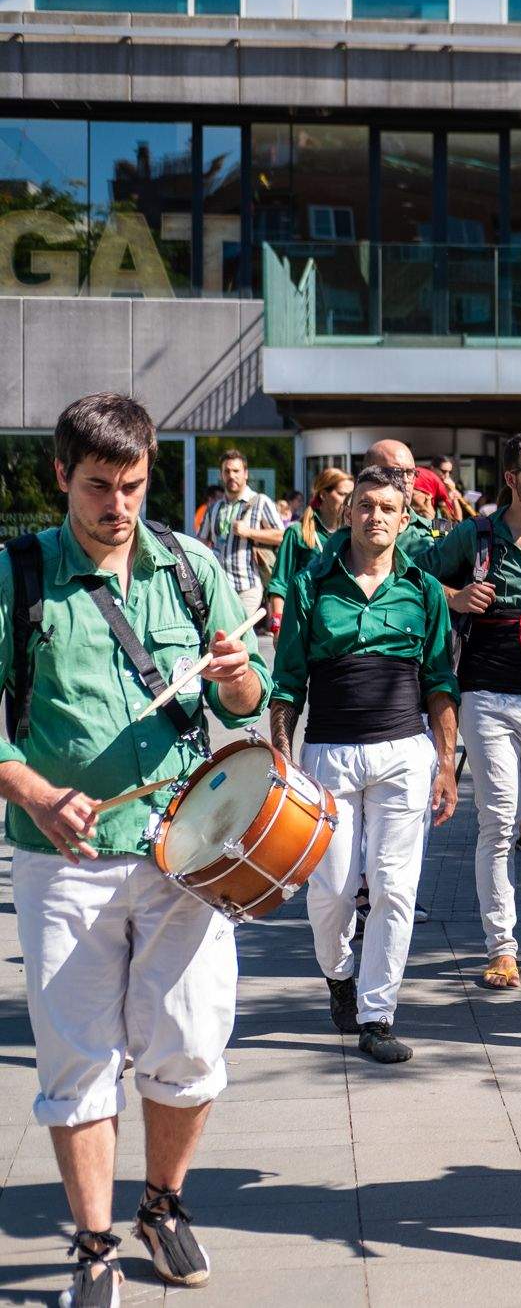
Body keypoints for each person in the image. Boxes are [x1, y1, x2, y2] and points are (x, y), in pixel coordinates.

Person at [0, 393, 270, 1305]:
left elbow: (245, 702)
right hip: (63, 859)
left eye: (133, 484)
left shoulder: (192, 567)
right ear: (60, 477)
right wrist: (33, 790)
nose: (117, 505)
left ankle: (162, 1202)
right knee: (76, 1058)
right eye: (97, 487)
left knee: (191, 1045)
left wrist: (239, 677)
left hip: (185, 852)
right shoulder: (18, 573)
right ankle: (92, 1242)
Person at [271, 465, 459, 1065]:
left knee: (394, 889)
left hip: (405, 752)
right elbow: (286, 684)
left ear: (405, 520)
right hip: (328, 754)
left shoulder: (424, 591)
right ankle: (339, 975)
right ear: (348, 513)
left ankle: (378, 1015)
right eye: (364, 505)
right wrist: (282, 761)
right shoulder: (311, 584)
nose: (375, 515)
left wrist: (447, 764)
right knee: (329, 890)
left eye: (387, 507)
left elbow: (440, 683)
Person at [420, 433, 521, 990]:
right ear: (511, 479)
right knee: (496, 820)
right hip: (487, 695)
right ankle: (502, 946)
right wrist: (456, 596)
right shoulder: (477, 534)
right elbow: (413, 575)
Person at [266, 467, 353, 634]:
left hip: (342, 624)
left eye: (351, 496)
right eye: (342, 494)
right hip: (304, 622)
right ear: (323, 494)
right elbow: (279, 582)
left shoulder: (352, 534)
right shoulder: (298, 532)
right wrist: (278, 626)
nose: (348, 501)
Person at [201, 447, 285, 618]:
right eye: (227, 471)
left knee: (236, 632)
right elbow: (202, 541)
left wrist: (249, 532)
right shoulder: (215, 508)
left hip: (248, 585)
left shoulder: (260, 502)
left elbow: (281, 536)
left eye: (236, 471)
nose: (232, 475)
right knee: (225, 636)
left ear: (245, 474)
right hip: (220, 586)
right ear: (221, 475)